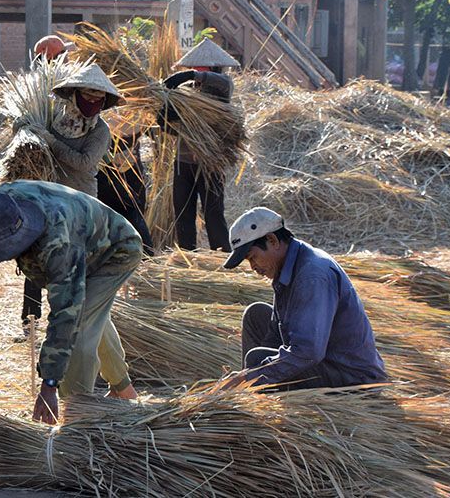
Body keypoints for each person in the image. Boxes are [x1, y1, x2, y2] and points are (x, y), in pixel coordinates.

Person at [0, 180, 141, 424]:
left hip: (116, 249)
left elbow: (66, 316)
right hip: (83, 242)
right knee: (90, 315)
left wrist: (50, 385)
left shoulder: (57, 243)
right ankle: (124, 392)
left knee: (81, 326)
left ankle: (76, 418)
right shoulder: (1, 206)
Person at [220, 207, 387, 390]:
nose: (252, 267)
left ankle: (256, 403)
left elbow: (308, 352)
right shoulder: (288, 267)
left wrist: (251, 376)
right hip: (325, 362)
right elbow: (276, 333)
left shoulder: (312, 275)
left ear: (272, 240)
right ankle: (254, 394)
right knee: (255, 315)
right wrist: (251, 374)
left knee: (257, 360)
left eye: (252, 257)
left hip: (352, 377)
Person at [13, 63, 124, 333]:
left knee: (71, 261)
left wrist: (50, 141)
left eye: (99, 99)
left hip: (80, 201)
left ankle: (68, 322)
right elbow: (27, 130)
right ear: (74, 95)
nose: (93, 103)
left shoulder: (100, 131)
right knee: (34, 257)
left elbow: (84, 162)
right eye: (88, 96)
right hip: (47, 195)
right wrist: (25, 129)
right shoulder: (54, 118)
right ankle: (30, 320)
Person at [161, 68, 233, 252]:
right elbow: (177, 130)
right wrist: (164, 119)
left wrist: (191, 74)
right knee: (183, 212)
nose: (199, 74)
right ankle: (188, 256)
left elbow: (225, 83)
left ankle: (222, 256)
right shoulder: (186, 92)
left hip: (210, 164)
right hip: (183, 163)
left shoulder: (221, 90)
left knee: (213, 213)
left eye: (203, 69)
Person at [96, 117, 154, 256]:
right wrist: (109, 158)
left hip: (130, 171)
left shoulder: (140, 107)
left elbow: (155, 127)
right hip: (105, 172)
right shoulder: (97, 110)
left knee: (133, 213)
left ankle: (144, 260)